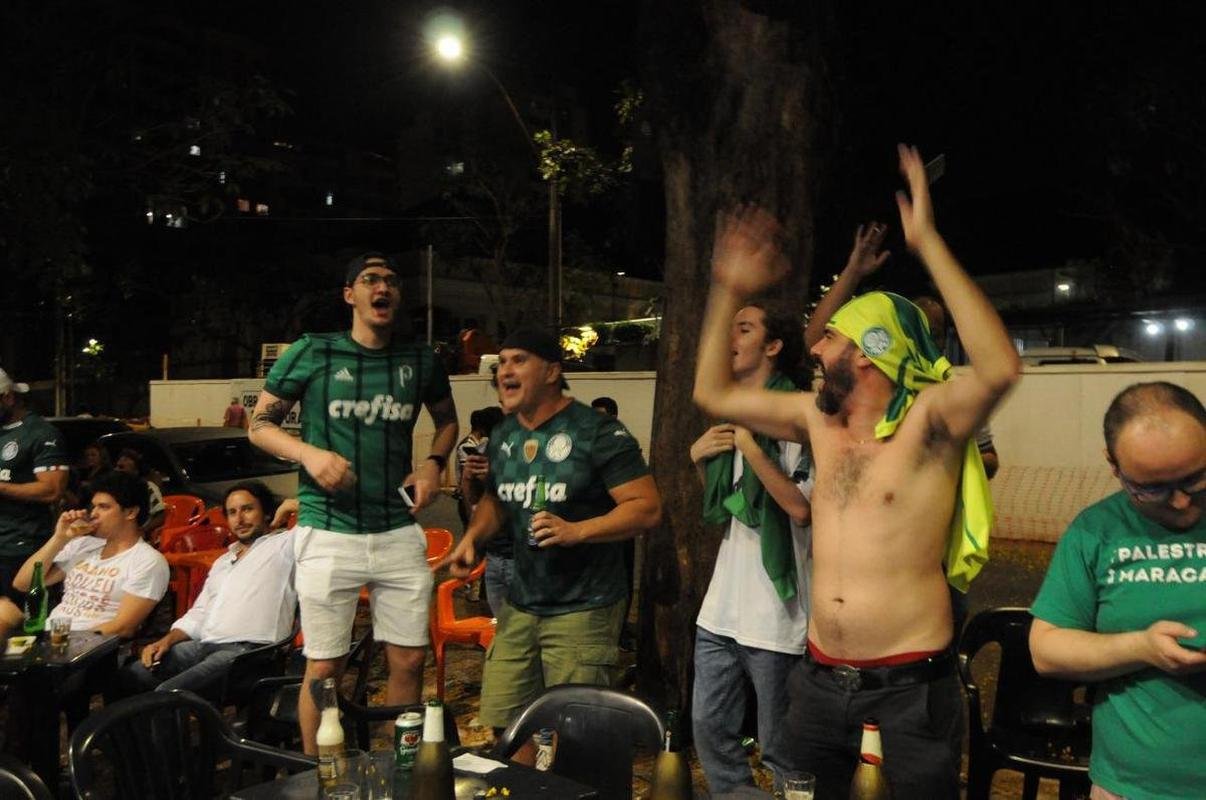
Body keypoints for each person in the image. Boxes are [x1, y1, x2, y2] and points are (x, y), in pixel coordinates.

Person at [693, 145, 1021, 798]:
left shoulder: (928, 424)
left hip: (907, 690)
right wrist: (727, 289)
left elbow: (1000, 368)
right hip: (818, 682)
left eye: (834, 337)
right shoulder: (817, 419)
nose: (816, 346)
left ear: (872, 352)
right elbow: (714, 394)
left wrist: (927, 244)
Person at [249, 251, 459, 755]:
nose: (382, 287)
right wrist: (309, 454)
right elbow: (259, 425)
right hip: (328, 529)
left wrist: (432, 463)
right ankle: (321, 774)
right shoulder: (313, 351)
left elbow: (448, 421)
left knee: (409, 660)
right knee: (324, 667)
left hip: (396, 529)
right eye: (370, 279)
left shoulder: (420, 360)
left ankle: (399, 768)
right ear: (350, 295)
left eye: (390, 280)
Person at [439, 327, 662, 731]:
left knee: (575, 732)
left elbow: (646, 508)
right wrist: (473, 537)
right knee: (507, 723)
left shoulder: (597, 432)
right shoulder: (505, 433)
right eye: (501, 362)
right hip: (521, 604)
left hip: (584, 605)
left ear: (552, 372)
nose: (505, 370)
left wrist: (576, 531)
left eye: (519, 360)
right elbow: (497, 499)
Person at [1029, 382, 1205, 800]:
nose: (1180, 502)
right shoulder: (1095, 531)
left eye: (1195, 479)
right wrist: (1141, 648)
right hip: (1132, 786)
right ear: (1114, 465)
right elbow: (1046, 649)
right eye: (1152, 488)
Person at [689, 302, 813, 793]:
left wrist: (753, 448)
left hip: (778, 613)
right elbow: (730, 510)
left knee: (779, 745)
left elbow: (800, 509)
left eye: (743, 329)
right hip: (722, 608)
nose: (730, 339)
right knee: (709, 727)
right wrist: (702, 463)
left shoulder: (800, 416)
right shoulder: (733, 415)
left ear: (774, 345)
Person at [118, 481, 297, 699]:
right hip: (205, 645)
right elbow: (199, 613)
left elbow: (326, 526)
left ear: (267, 513)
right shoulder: (224, 561)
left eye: (247, 509)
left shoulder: (284, 545)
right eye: (232, 512)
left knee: (168, 695)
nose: (239, 519)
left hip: (250, 652)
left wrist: (294, 506)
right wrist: (166, 640)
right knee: (132, 675)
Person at [0, 470, 169, 639]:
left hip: (90, 646)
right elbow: (23, 583)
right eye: (94, 506)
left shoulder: (147, 561)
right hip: (50, 634)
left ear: (130, 512)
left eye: (104, 507)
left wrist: (61, 638)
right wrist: (59, 539)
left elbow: (123, 627)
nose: (94, 513)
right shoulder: (83, 545)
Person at [0, 368, 69, 602]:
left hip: (21, 546)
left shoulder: (40, 433)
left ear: (8, 397)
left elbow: (52, 490)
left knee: (18, 615)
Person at [457, 406, 510, 614]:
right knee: (500, 625)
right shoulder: (486, 450)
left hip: (522, 558)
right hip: (494, 555)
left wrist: (494, 478)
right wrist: (467, 481)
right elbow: (473, 510)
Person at [114, 448, 166, 533]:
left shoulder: (148, 487)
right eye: (120, 459)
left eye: (126, 459)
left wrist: (142, 531)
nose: (121, 462)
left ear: (136, 468)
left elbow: (161, 516)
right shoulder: (114, 488)